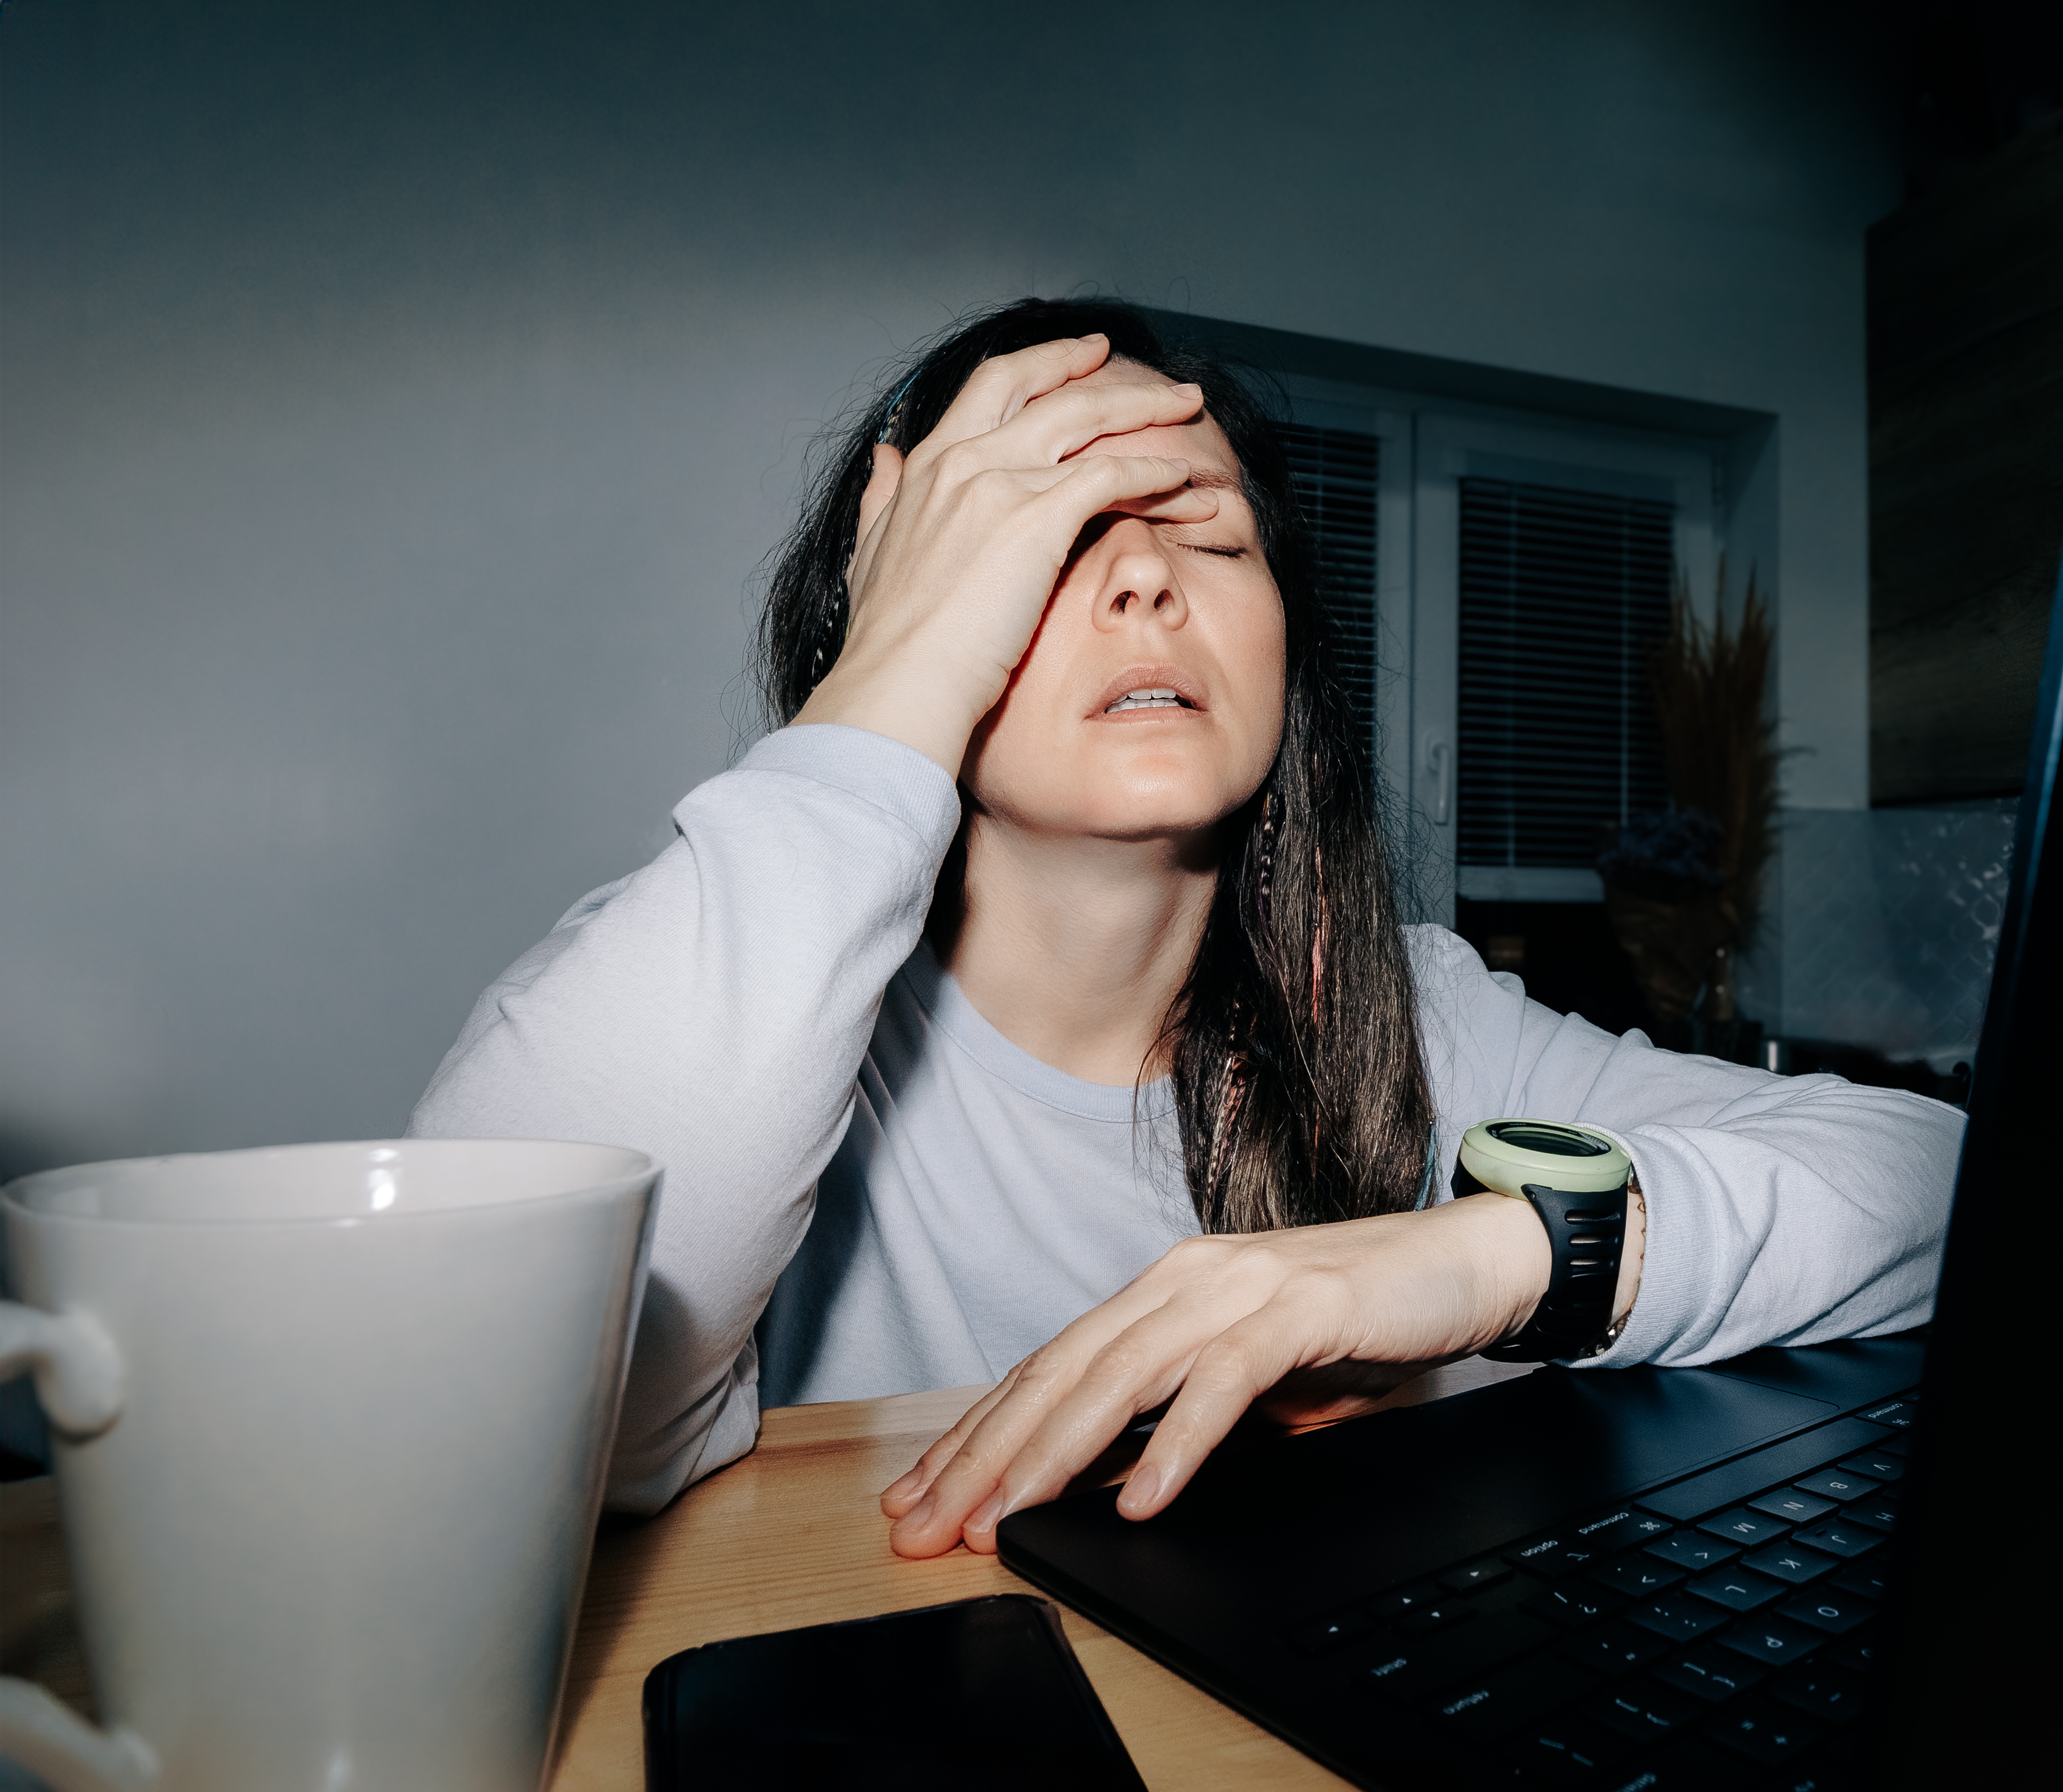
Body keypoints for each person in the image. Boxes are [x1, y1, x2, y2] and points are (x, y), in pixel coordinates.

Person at [411, 298, 1962, 1560]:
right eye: (1046, 539)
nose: (1148, 572)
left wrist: (1487, 1255)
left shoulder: (1413, 1012)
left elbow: (1943, 1183)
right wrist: (884, 688)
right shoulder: (743, 1020)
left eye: (1210, 539)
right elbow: (474, 1382)